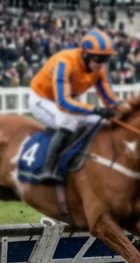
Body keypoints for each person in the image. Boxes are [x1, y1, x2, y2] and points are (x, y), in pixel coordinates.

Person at [28, 29, 120, 183]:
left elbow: (111, 100)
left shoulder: (100, 70)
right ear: (85, 53)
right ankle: (48, 169)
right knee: (69, 122)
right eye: (99, 59)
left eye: (106, 59)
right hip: (42, 99)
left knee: (104, 121)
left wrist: (123, 111)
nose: (102, 64)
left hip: (67, 100)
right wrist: (96, 109)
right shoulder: (64, 62)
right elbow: (63, 103)